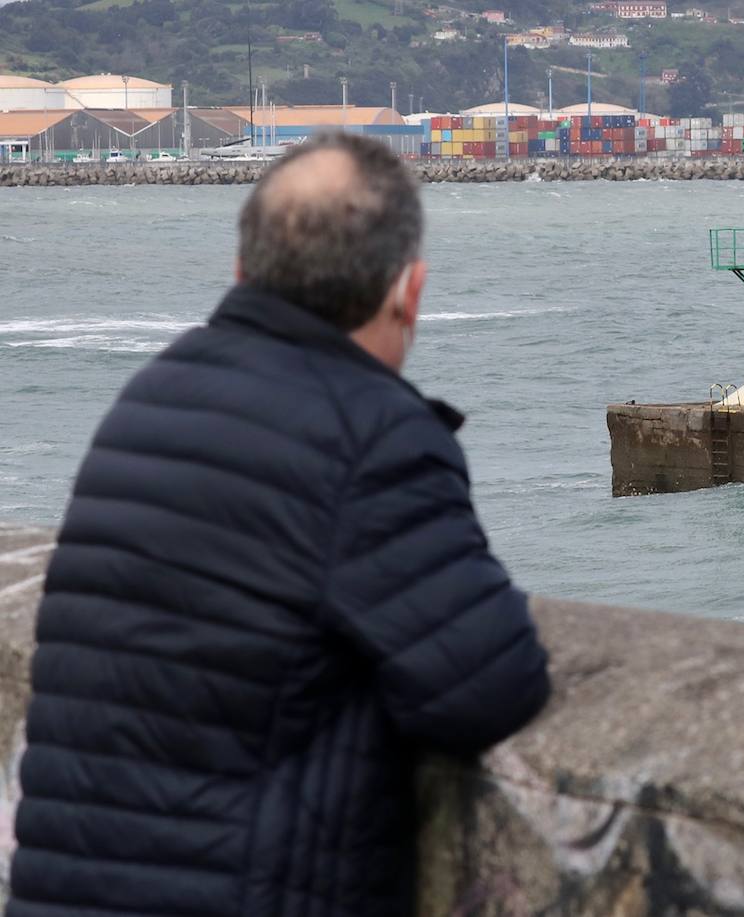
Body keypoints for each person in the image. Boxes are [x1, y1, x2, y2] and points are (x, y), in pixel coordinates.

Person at [9, 133, 551, 917]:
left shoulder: (150, 395)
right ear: (410, 291)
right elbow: (488, 687)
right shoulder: (372, 435)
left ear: (242, 270)